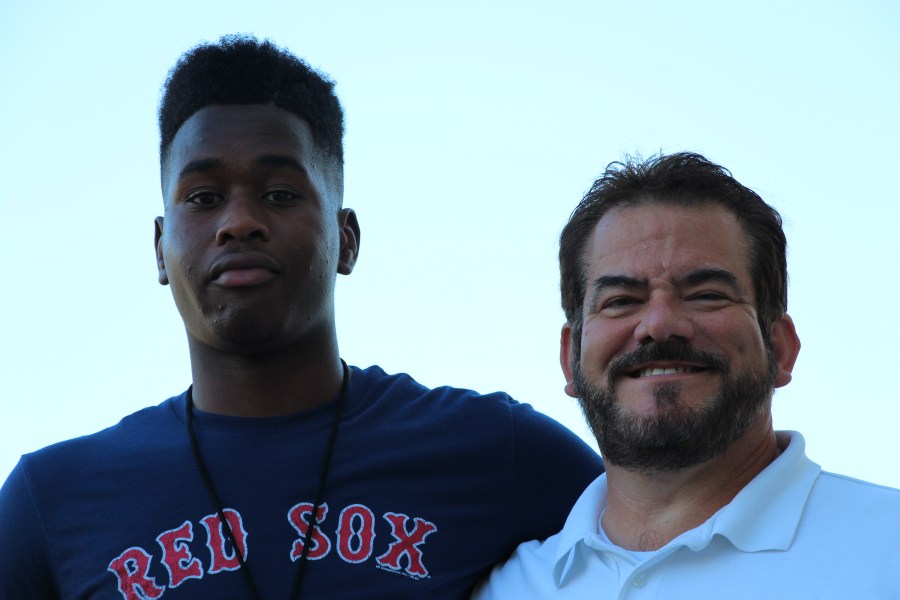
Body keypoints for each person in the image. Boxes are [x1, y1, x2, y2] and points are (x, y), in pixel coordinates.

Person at [0, 35, 603, 600]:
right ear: (161, 248)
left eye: (280, 194)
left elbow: (654, 553)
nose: (240, 222)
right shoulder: (50, 501)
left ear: (347, 239)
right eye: (204, 197)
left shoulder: (497, 453)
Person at [474, 152, 900, 599]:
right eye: (621, 301)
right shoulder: (506, 587)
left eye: (706, 294)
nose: (659, 324)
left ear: (780, 348)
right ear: (570, 358)